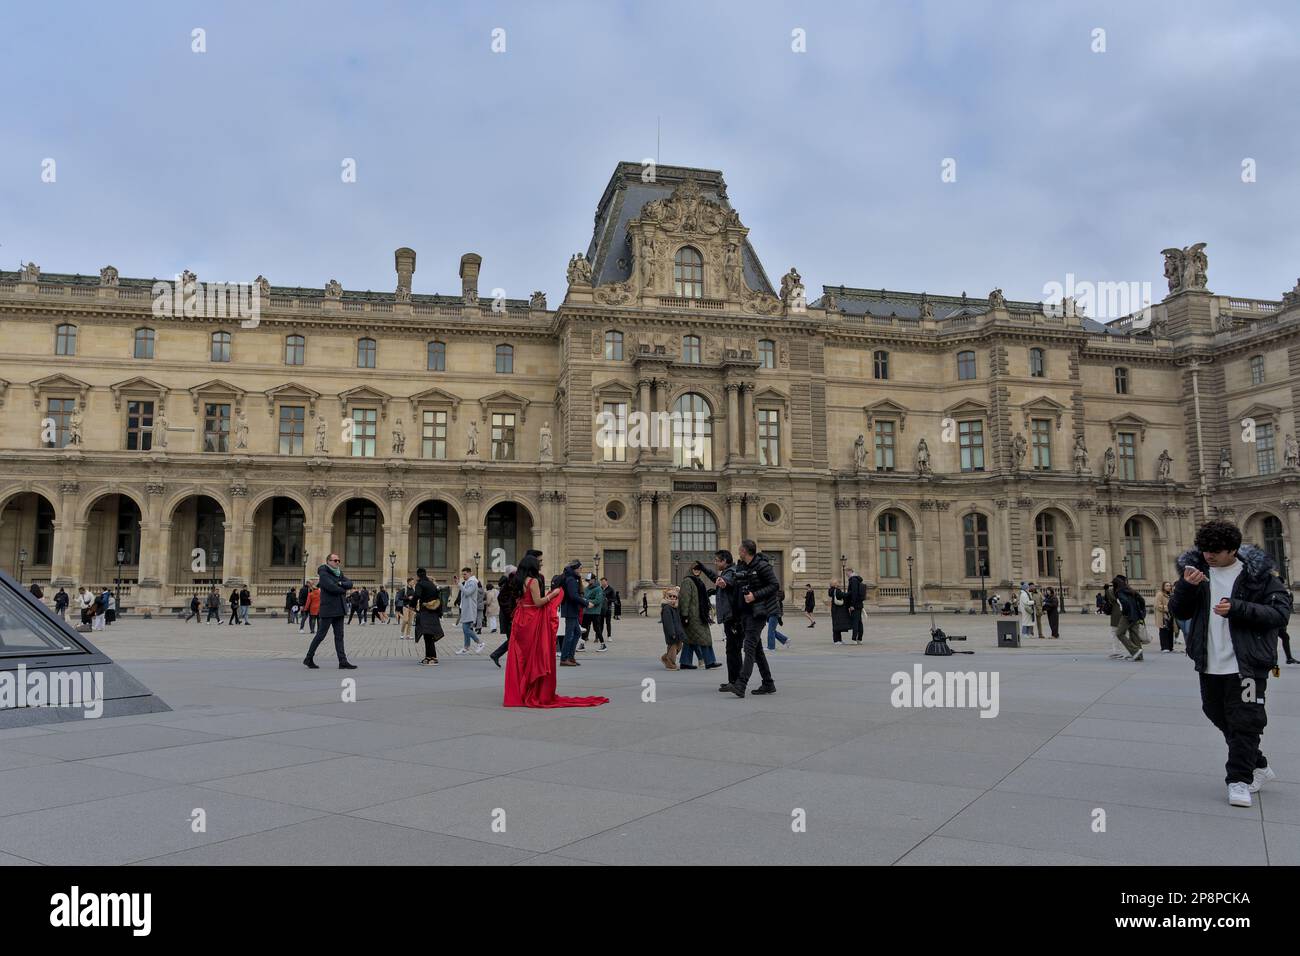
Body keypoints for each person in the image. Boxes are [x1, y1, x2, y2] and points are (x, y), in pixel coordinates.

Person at [1169, 519, 1291, 808]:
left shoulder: (1259, 577)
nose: (1208, 555)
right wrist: (1186, 588)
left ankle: (1239, 780)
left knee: (1245, 721)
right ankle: (1258, 764)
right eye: (1205, 549)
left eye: (1215, 551)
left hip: (1248, 664)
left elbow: (1280, 613)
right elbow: (1179, 610)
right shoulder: (1196, 573)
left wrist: (1237, 608)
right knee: (1215, 713)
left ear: (1233, 550)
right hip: (1210, 661)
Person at [503, 552, 608, 708]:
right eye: (538, 564)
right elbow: (538, 602)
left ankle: (520, 691)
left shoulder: (518, 581)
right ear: (533, 566)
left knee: (521, 657)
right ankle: (533, 690)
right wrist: (553, 594)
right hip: (531, 619)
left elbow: (520, 600)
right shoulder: (532, 581)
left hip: (520, 619)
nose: (540, 565)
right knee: (535, 655)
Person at [723, 539, 778, 698]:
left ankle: (741, 684)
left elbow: (774, 585)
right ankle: (768, 683)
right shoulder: (743, 566)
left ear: (744, 551)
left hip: (758, 612)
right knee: (757, 650)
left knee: (749, 648)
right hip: (746, 613)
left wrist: (755, 595)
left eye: (740, 549)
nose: (738, 551)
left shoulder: (762, 566)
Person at [304, 552, 357, 670]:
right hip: (328, 609)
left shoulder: (339, 573)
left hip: (339, 608)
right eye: (335, 560)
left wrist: (341, 583)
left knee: (339, 636)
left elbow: (350, 583)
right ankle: (308, 658)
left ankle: (342, 661)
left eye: (339, 560)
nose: (337, 562)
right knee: (320, 635)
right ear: (328, 561)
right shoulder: (323, 573)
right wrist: (343, 589)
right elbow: (331, 587)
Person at [697, 552, 742, 690]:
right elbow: (717, 578)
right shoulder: (728, 571)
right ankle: (735, 680)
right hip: (731, 617)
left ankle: (736, 682)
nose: (715, 563)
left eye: (717, 561)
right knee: (733, 650)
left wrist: (723, 582)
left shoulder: (731, 572)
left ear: (725, 561)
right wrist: (704, 569)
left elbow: (726, 581)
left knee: (733, 650)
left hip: (732, 618)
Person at [677, 565, 718, 668]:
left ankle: (685, 663)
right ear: (691, 569)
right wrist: (685, 615)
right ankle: (710, 662)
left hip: (699, 615)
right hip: (693, 616)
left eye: (698, 569)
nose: (697, 571)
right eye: (695, 569)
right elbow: (684, 599)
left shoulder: (697, 581)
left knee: (690, 639)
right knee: (705, 638)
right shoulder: (687, 581)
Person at [1108, 576, 1146, 661]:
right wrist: (1142, 611)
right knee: (1134, 634)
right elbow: (1142, 600)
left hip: (1127, 615)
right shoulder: (1130, 590)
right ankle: (1139, 656)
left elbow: (1124, 602)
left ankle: (1135, 651)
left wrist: (1125, 612)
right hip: (1136, 615)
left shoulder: (1119, 591)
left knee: (1119, 633)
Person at [412, 568, 443, 666]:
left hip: (425, 611)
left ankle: (433, 658)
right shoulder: (431, 584)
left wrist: (412, 604)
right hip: (433, 611)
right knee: (428, 636)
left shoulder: (420, 584)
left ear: (417, 576)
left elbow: (417, 594)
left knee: (427, 635)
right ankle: (428, 657)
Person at [558, 560, 585, 666]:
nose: (581, 570)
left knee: (577, 633)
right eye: (580, 568)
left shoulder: (572, 578)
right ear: (575, 569)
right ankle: (564, 658)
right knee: (569, 635)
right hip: (570, 609)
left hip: (571, 609)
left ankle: (570, 656)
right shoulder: (571, 579)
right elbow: (573, 596)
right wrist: (586, 603)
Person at [455, 567, 486, 655]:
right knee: (466, 629)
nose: (463, 576)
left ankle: (480, 643)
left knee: (466, 628)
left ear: (470, 573)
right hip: (466, 608)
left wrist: (459, 584)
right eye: (463, 574)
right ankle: (466, 647)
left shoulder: (473, 583)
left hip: (470, 609)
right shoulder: (468, 582)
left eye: (465, 574)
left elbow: (467, 592)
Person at [659, 586, 686, 669]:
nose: (672, 598)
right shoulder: (667, 608)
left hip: (678, 631)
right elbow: (668, 623)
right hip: (672, 632)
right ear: (666, 597)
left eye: (674, 596)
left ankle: (665, 657)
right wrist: (672, 633)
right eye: (670, 596)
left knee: (679, 646)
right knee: (673, 648)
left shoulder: (675, 607)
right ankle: (670, 663)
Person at [847, 568, 866, 642]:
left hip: (855, 604)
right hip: (859, 604)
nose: (846, 574)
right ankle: (859, 638)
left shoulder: (853, 580)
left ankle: (854, 638)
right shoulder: (856, 579)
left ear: (850, 572)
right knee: (859, 621)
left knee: (855, 621)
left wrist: (852, 605)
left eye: (846, 572)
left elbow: (854, 593)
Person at [1155, 581, 1175, 652]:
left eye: (1169, 585)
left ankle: (1170, 647)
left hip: (1171, 616)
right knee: (1163, 631)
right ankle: (1164, 647)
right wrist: (1168, 608)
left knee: (1170, 631)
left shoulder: (1171, 595)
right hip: (1163, 616)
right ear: (1163, 586)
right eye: (1167, 585)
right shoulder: (1160, 594)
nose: (1168, 587)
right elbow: (1157, 605)